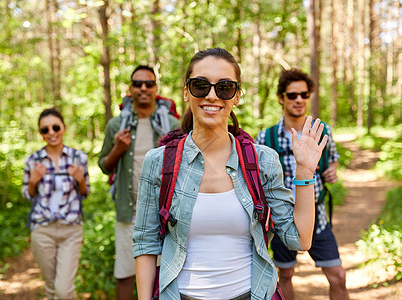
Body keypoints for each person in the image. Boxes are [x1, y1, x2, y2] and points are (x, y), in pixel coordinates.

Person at [133, 48, 328, 300]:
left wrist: (304, 172)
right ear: (186, 92)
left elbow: (299, 240)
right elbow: (146, 244)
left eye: (224, 87)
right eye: (201, 85)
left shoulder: (262, 160)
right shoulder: (159, 162)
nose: (212, 95)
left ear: (236, 96)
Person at [255, 69, 349, 300]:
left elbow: (333, 158)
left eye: (304, 95)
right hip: (281, 219)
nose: (299, 100)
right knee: (285, 276)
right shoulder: (264, 138)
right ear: (281, 98)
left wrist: (331, 171)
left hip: (317, 218)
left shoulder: (322, 131)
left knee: (337, 275)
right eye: (292, 95)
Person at [98, 65, 180, 299]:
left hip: (165, 215)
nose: (143, 88)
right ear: (130, 89)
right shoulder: (117, 125)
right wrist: (118, 149)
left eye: (149, 83)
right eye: (137, 84)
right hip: (129, 213)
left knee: (165, 274)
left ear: (156, 88)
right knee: (124, 273)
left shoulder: (172, 126)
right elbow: (104, 166)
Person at [22, 107, 90, 299]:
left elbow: (85, 193)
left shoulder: (79, 158)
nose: (51, 133)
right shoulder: (32, 161)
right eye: (45, 130)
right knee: (51, 288)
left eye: (55, 127)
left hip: (71, 229)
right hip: (42, 230)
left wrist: (80, 180)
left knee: (63, 289)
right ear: (40, 133)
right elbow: (27, 195)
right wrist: (34, 181)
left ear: (64, 128)